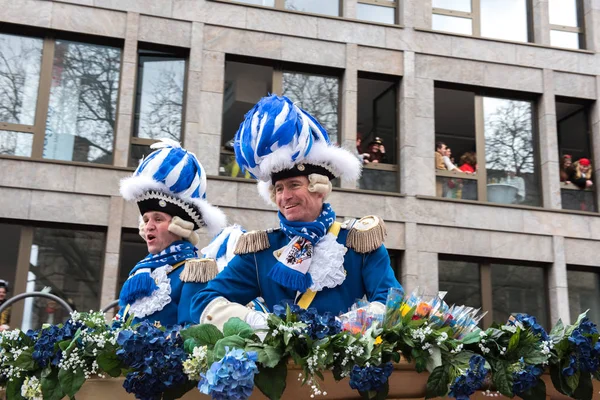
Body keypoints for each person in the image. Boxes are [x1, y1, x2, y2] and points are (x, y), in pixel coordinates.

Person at [190, 95, 403, 328]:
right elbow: (203, 302)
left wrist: (339, 330)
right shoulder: (261, 250)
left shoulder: (359, 243)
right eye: (278, 188)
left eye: (294, 185)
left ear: (318, 188)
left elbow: (392, 304)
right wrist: (259, 325)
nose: (284, 197)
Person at [118, 139, 227, 326]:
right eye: (146, 220)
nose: (149, 226)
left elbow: (190, 334)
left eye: (158, 219)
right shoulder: (139, 273)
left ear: (179, 225)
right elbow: (119, 326)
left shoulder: (194, 272)